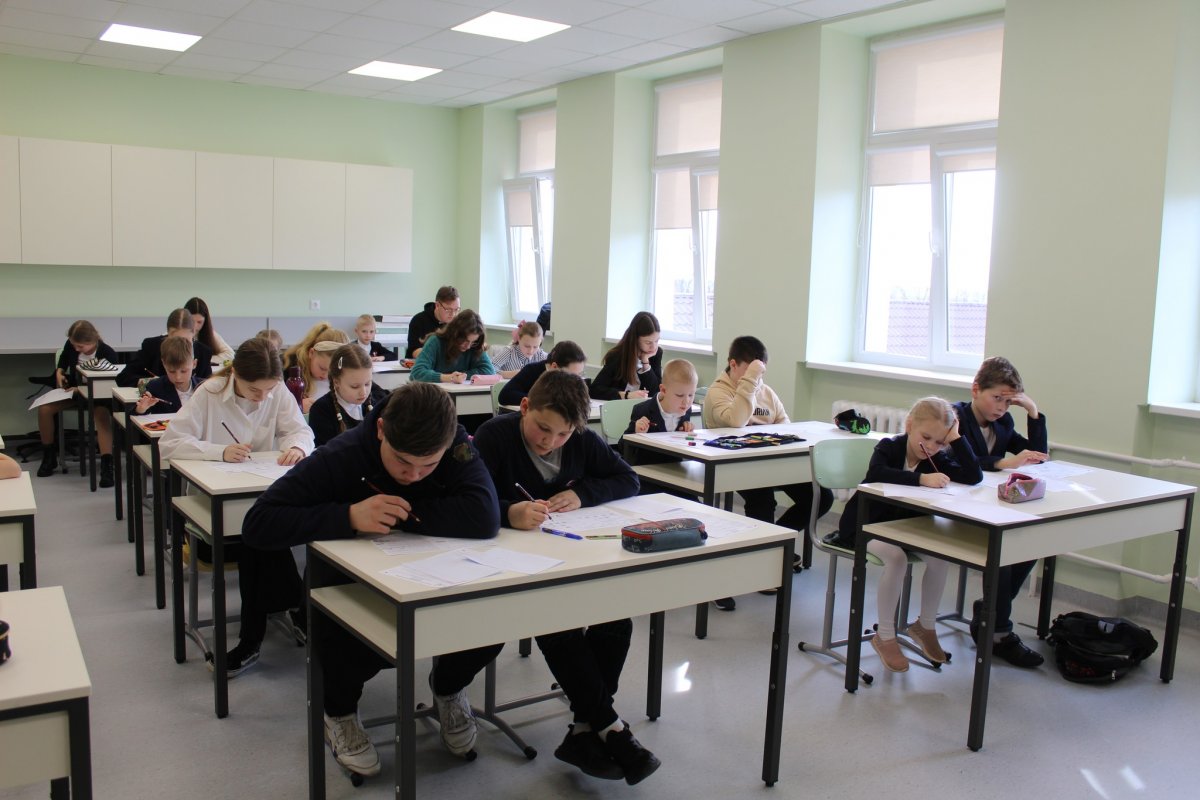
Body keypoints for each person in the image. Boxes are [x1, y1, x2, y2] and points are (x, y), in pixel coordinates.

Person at [239, 383, 500, 779]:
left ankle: (448, 687)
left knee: (492, 622)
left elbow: (484, 515)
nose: (413, 475)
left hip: (436, 575)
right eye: (403, 462)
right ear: (380, 430)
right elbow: (258, 523)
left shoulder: (455, 442)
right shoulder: (341, 454)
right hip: (346, 584)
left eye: (429, 465)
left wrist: (400, 515)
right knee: (345, 643)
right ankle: (338, 712)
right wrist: (348, 516)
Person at [432, 370, 660, 785]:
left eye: (562, 434)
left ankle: (586, 727)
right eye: (542, 428)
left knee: (616, 619)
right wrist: (508, 512)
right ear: (524, 407)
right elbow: (464, 497)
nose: (550, 441)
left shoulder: (582, 440)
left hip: (563, 557)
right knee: (556, 622)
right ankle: (608, 727)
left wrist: (583, 494)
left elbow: (628, 479)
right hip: (499, 565)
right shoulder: (494, 437)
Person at [159, 337, 315, 669]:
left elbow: (300, 431)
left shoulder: (275, 391)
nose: (263, 397)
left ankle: (252, 639)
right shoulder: (209, 393)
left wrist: (297, 447)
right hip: (214, 508)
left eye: (268, 390)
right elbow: (169, 444)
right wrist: (220, 451)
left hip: (261, 499)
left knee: (260, 533)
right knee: (256, 538)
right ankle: (294, 610)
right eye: (254, 390)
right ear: (235, 375)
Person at [835, 396, 983, 673]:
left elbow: (974, 476)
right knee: (896, 559)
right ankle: (885, 635)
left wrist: (956, 438)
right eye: (926, 438)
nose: (931, 447)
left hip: (906, 528)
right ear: (910, 425)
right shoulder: (889, 447)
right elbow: (877, 472)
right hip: (866, 525)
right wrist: (920, 479)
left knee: (940, 556)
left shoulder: (937, 458)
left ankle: (925, 625)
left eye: (939, 442)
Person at [703, 336, 833, 607]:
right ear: (733, 365)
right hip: (734, 466)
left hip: (771, 463)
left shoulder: (767, 393)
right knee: (762, 499)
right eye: (751, 371)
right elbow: (736, 421)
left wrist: (757, 385)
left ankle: (773, 544)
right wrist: (749, 383)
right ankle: (766, 561)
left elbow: (786, 428)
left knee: (820, 496)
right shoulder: (718, 393)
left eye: (760, 373)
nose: (757, 379)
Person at [954, 356, 1049, 668]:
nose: (1001, 408)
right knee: (1004, 553)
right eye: (997, 398)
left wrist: (1033, 412)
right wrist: (1002, 463)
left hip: (989, 506)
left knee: (1031, 546)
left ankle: (989, 611)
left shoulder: (1003, 424)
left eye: (1009, 403)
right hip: (954, 507)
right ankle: (999, 632)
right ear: (976, 390)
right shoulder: (954, 417)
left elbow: (1038, 456)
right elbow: (956, 462)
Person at [36, 320, 118, 485]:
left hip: (98, 397)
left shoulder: (107, 353)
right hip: (75, 392)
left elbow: (110, 384)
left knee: (101, 416)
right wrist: (59, 372)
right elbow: (64, 360)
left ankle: (107, 465)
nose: (76, 349)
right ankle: (49, 457)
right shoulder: (71, 345)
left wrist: (81, 389)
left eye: (80, 346)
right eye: (74, 345)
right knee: (44, 409)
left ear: (92, 341)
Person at [308, 344, 389, 447]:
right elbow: (326, 453)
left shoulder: (379, 400)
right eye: (354, 386)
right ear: (336, 382)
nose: (363, 392)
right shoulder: (321, 411)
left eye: (367, 384)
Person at [624, 358, 698, 470]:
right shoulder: (643, 410)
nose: (686, 401)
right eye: (679, 395)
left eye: (691, 395)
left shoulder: (686, 409)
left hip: (676, 468)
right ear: (663, 390)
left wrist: (686, 431)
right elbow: (624, 448)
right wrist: (636, 433)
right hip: (647, 469)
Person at [116, 308, 213, 388]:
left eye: (185, 340)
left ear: (193, 333)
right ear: (167, 334)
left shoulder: (204, 352)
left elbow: (209, 385)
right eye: (174, 339)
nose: (180, 345)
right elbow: (123, 378)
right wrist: (149, 382)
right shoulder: (152, 346)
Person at [589, 312, 662, 401]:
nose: (653, 347)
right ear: (635, 339)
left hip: (642, 407)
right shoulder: (617, 355)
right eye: (648, 342)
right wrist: (627, 395)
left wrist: (645, 362)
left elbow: (656, 392)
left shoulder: (656, 354)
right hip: (620, 405)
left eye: (656, 341)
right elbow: (595, 390)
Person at [410, 309, 495, 384]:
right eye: (465, 341)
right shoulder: (435, 342)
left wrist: (461, 376)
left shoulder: (476, 345)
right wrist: (449, 377)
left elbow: (489, 371)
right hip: (434, 393)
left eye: (473, 342)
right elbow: (416, 373)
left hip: (461, 392)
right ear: (455, 334)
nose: (468, 346)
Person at [282, 322, 349, 413]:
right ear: (311, 353)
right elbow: (274, 405)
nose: (325, 376)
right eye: (322, 368)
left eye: (333, 372)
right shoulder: (288, 370)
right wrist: (297, 405)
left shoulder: (347, 373)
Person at [497, 340, 587, 406]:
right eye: (573, 375)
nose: (577, 379)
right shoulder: (531, 370)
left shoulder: (574, 379)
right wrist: (545, 400)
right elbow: (505, 396)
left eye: (580, 374)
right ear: (554, 367)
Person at [132, 335, 200, 416]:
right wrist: (141, 409)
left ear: (194, 364)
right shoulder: (156, 387)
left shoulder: (204, 386)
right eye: (172, 372)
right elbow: (135, 416)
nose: (178, 377)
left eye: (184, 371)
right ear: (164, 364)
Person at [406, 285, 460, 358]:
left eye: (456, 309)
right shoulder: (418, 320)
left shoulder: (458, 323)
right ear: (437, 305)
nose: (453, 314)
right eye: (448, 309)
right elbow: (414, 351)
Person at [185, 296, 235, 363]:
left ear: (205, 321)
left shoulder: (209, 333)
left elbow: (230, 354)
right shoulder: (175, 333)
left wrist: (204, 360)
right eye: (192, 321)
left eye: (199, 322)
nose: (195, 327)